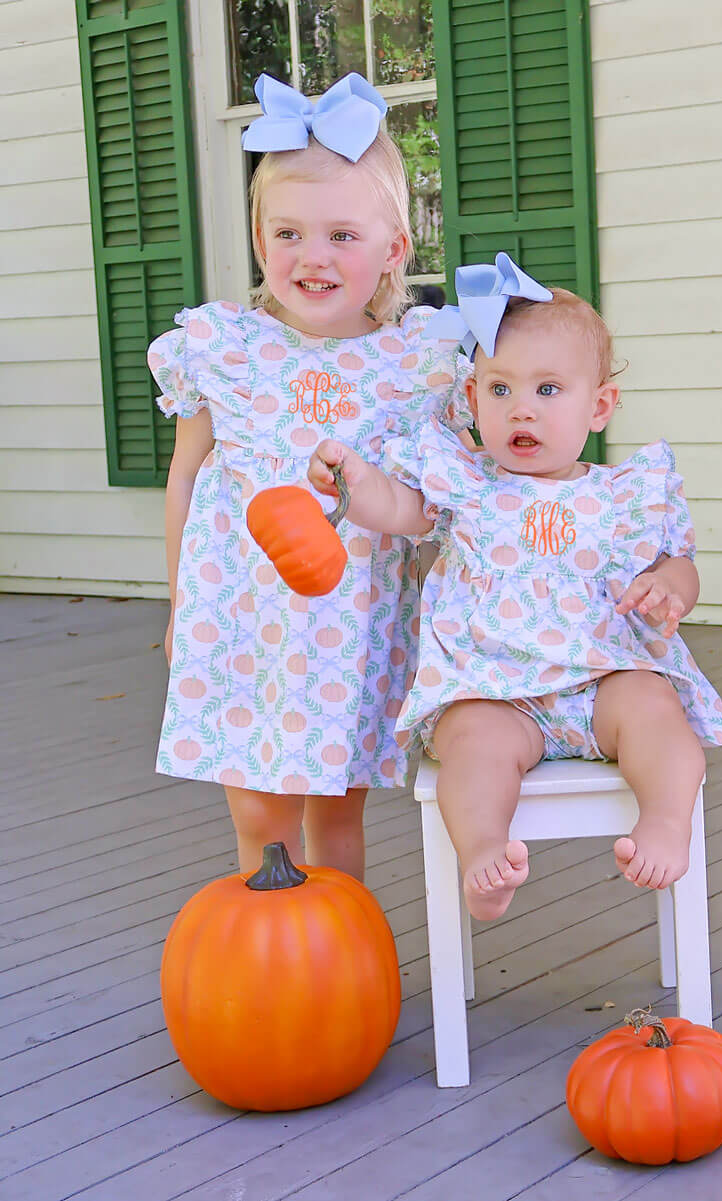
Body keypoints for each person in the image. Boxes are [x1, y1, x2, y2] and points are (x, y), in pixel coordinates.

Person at [308, 254, 722, 919]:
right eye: (500, 389)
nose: (521, 410)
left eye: (547, 390)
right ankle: (484, 852)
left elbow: (680, 561)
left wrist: (667, 587)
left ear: (599, 406)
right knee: (472, 748)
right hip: (493, 689)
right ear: (473, 399)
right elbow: (396, 509)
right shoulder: (466, 481)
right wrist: (354, 481)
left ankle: (666, 821)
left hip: (603, 680)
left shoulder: (626, 493)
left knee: (657, 711)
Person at [149, 73, 470, 879]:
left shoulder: (415, 363)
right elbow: (187, 475)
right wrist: (181, 600)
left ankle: (336, 975)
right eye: (288, 233)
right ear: (261, 240)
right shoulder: (221, 348)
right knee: (261, 821)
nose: (312, 257)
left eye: (341, 236)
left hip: (351, 634)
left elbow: (440, 505)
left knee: (337, 815)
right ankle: (271, 980)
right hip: (240, 624)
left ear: (394, 249)